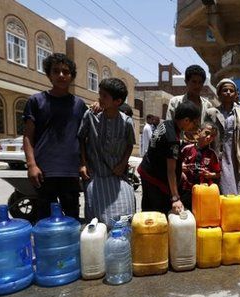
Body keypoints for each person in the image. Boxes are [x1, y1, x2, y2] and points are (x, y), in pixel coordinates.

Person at [23, 53, 88, 221]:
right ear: (49, 75)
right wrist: (31, 165)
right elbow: (28, 136)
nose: (61, 75)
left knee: (72, 219)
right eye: (56, 71)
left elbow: (82, 138)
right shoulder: (36, 101)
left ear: (71, 77)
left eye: (66, 72)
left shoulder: (79, 105)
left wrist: (83, 164)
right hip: (44, 172)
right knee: (45, 221)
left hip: (70, 172)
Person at [78, 78, 136, 226]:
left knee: (127, 211)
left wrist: (122, 164)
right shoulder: (90, 116)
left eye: (104, 96)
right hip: (95, 175)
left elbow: (130, 145)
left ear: (118, 101)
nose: (99, 98)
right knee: (95, 220)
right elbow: (81, 139)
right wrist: (83, 164)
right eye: (100, 94)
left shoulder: (127, 122)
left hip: (117, 176)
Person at [138, 101, 198, 214]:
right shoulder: (172, 139)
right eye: (193, 123)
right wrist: (175, 198)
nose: (194, 126)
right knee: (158, 213)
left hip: (146, 170)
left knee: (147, 209)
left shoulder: (166, 124)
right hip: (155, 178)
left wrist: (181, 173)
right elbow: (170, 170)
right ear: (186, 120)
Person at [210, 78, 240, 195]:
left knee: (236, 183)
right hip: (218, 153)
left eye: (232, 90)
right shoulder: (212, 112)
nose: (229, 92)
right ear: (219, 93)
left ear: (235, 94)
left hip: (236, 154)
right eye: (225, 90)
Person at [180, 122, 221, 210]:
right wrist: (181, 167)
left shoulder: (212, 154)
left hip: (204, 191)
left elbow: (218, 174)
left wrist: (210, 174)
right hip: (186, 189)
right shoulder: (187, 149)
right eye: (207, 133)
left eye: (213, 136)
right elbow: (174, 165)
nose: (209, 137)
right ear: (199, 132)